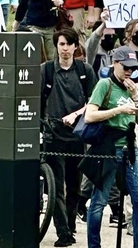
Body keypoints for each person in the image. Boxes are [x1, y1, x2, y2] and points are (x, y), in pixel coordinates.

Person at [84, 46, 138, 248]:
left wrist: (136, 97)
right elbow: (89, 115)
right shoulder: (105, 84)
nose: (129, 72)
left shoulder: (130, 88)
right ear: (116, 64)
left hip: (130, 147)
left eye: (133, 68)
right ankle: (94, 245)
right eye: (126, 67)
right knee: (99, 202)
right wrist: (118, 110)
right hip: (109, 147)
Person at [41, 27, 98, 247]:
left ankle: (71, 226)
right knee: (56, 187)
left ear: (75, 46)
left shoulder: (85, 71)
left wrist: (76, 115)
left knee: (74, 185)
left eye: (69, 44)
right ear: (56, 46)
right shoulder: (46, 71)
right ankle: (63, 231)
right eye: (61, 44)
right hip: (53, 135)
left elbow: (93, 101)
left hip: (77, 135)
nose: (65, 49)